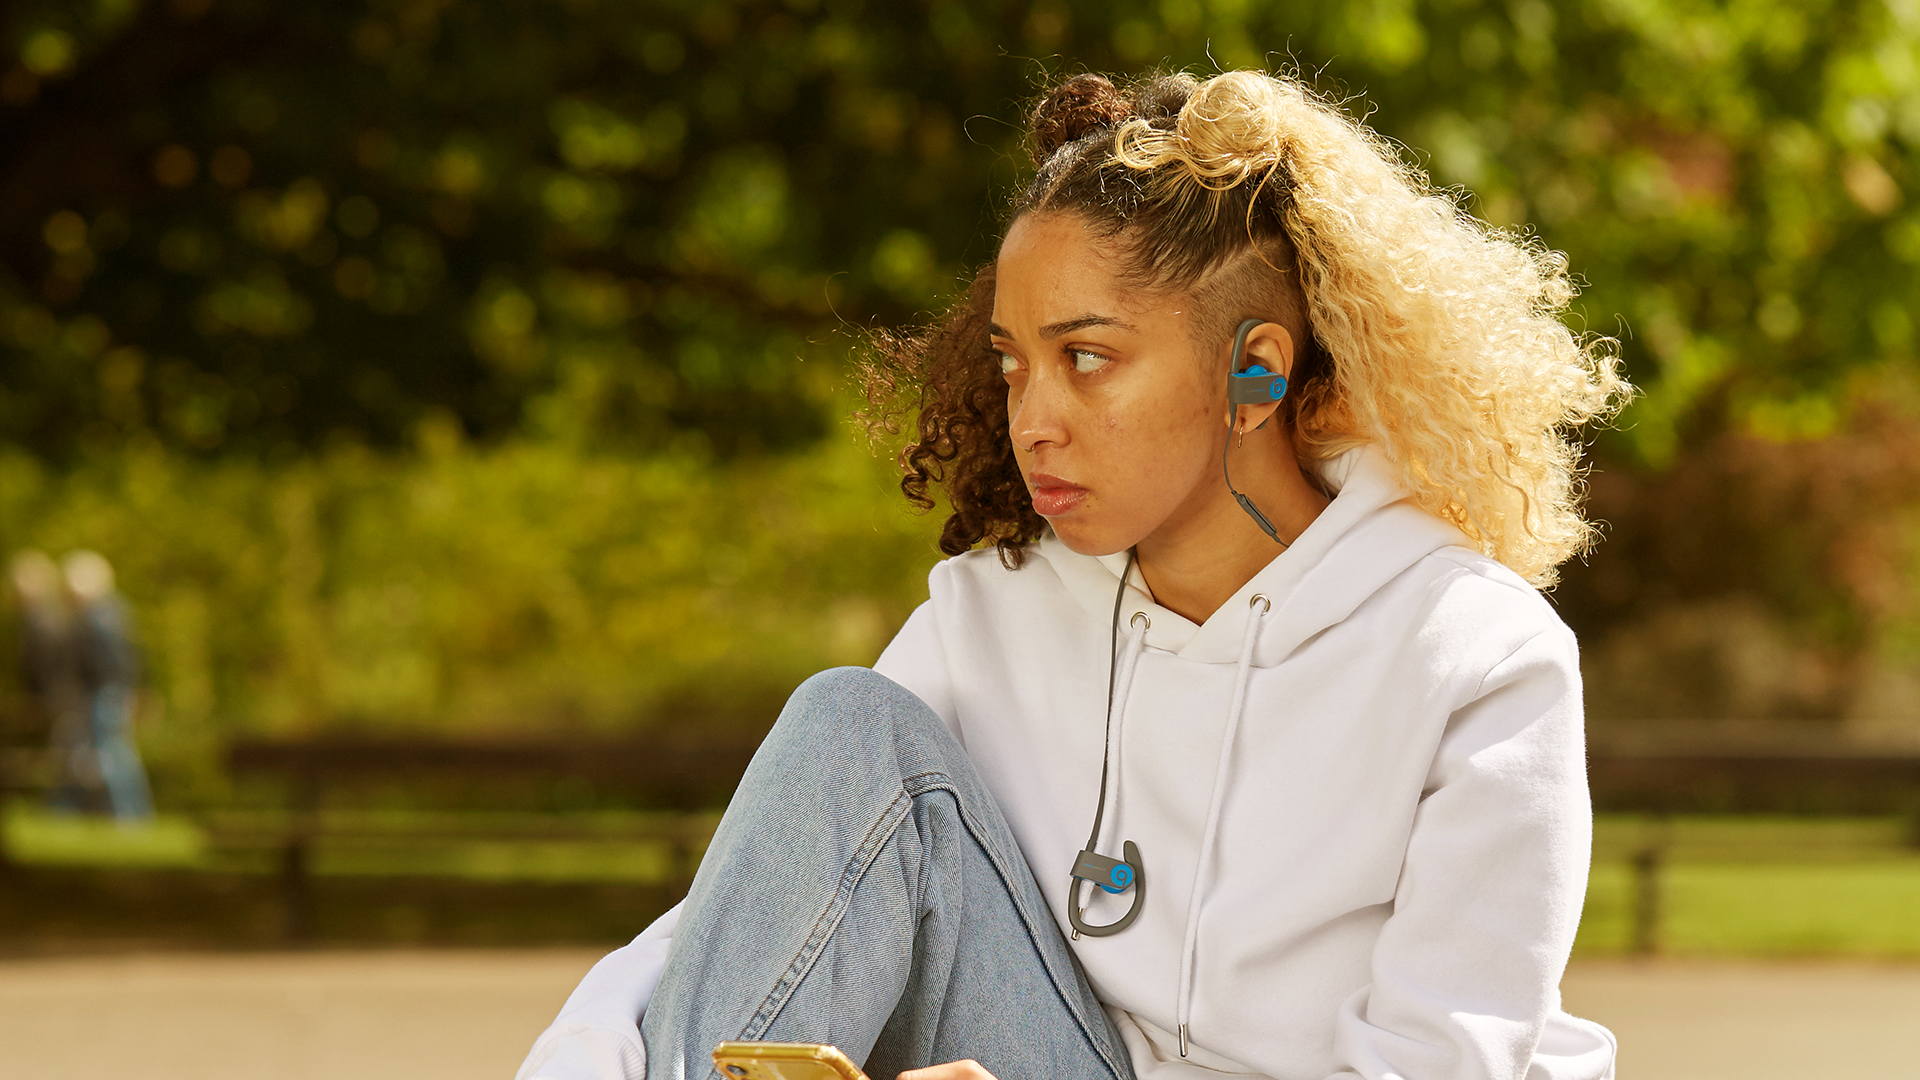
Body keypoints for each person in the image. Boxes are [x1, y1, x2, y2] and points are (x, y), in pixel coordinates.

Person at [520, 69, 1629, 1080]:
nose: (1031, 421)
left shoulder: (1476, 655)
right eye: (1014, 365)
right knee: (844, 725)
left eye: (1086, 359)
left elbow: (1439, 1064)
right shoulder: (992, 613)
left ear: (1256, 372)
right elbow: (753, 915)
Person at [63, 550, 153, 822]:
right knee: (108, 754)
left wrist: (122, 693)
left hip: (106, 694)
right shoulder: (115, 611)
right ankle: (126, 814)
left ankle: (130, 815)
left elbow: (114, 663)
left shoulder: (101, 616)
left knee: (114, 755)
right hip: (110, 692)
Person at [11, 549, 100, 813]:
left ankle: (69, 807)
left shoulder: (43, 621)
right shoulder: (54, 617)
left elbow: (48, 665)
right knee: (70, 753)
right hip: (64, 694)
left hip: (60, 695)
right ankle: (66, 807)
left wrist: (43, 696)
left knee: (74, 754)